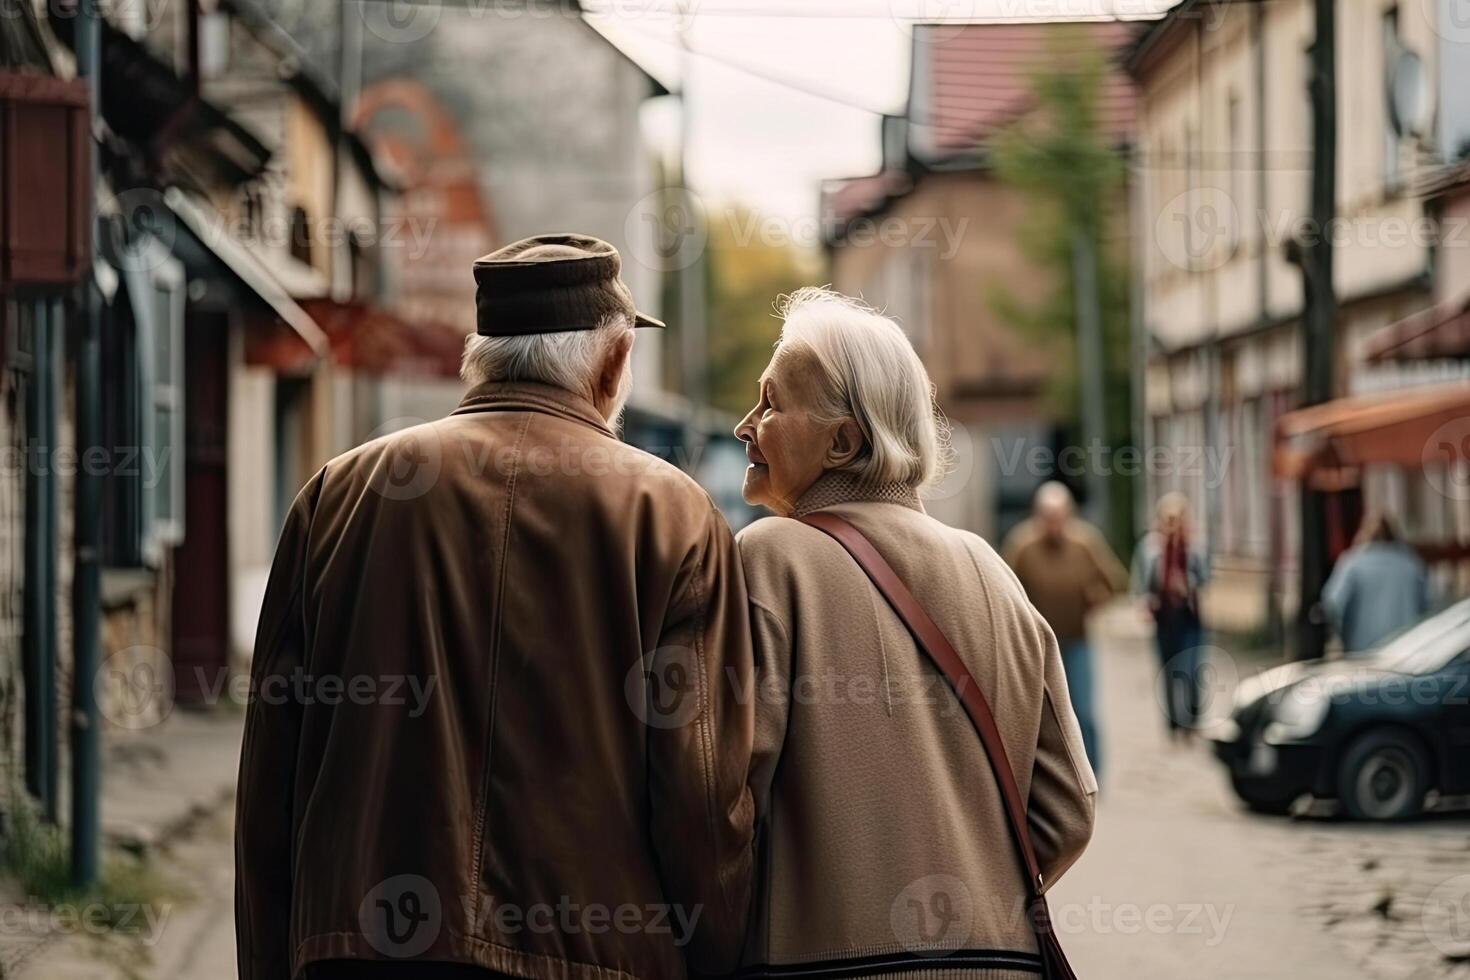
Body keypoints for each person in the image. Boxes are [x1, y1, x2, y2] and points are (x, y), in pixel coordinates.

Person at [236, 235, 755, 980]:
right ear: (611, 364)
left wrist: (270, 961)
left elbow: (270, 784)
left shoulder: (339, 493)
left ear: (481, 355)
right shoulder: (672, 512)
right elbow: (700, 799)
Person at [732, 288, 1096, 978]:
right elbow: (1068, 809)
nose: (745, 425)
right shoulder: (991, 570)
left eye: (772, 403)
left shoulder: (769, 557)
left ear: (844, 440)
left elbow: (723, 798)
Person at [1001, 481, 1127, 777]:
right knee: (1038, 713)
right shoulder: (1022, 545)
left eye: (1059, 517)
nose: (1054, 525)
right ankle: (1043, 776)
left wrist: (1096, 601)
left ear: (1068, 514)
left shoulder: (1085, 542)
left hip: (1077, 638)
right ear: (1037, 515)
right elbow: (1003, 589)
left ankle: (1092, 773)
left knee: (1082, 709)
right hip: (1037, 645)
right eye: (1048, 517)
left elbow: (1115, 581)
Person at [1134, 492, 1209, 740]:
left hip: (1189, 616)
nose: (1173, 524)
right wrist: (1144, 602)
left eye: (1177, 518)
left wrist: (1187, 584)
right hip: (1164, 618)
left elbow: (1206, 578)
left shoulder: (1196, 547)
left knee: (1190, 669)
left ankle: (1192, 718)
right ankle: (1173, 724)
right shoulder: (1150, 548)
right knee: (1167, 671)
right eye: (1168, 519)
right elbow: (1140, 581)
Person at [1322, 511, 1429, 654]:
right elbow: (1428, 604)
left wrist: (1340, 635)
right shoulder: (1411, 563)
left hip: (1362, 652)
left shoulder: (1352, 563)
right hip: (1406, 650)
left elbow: (1333, 604)